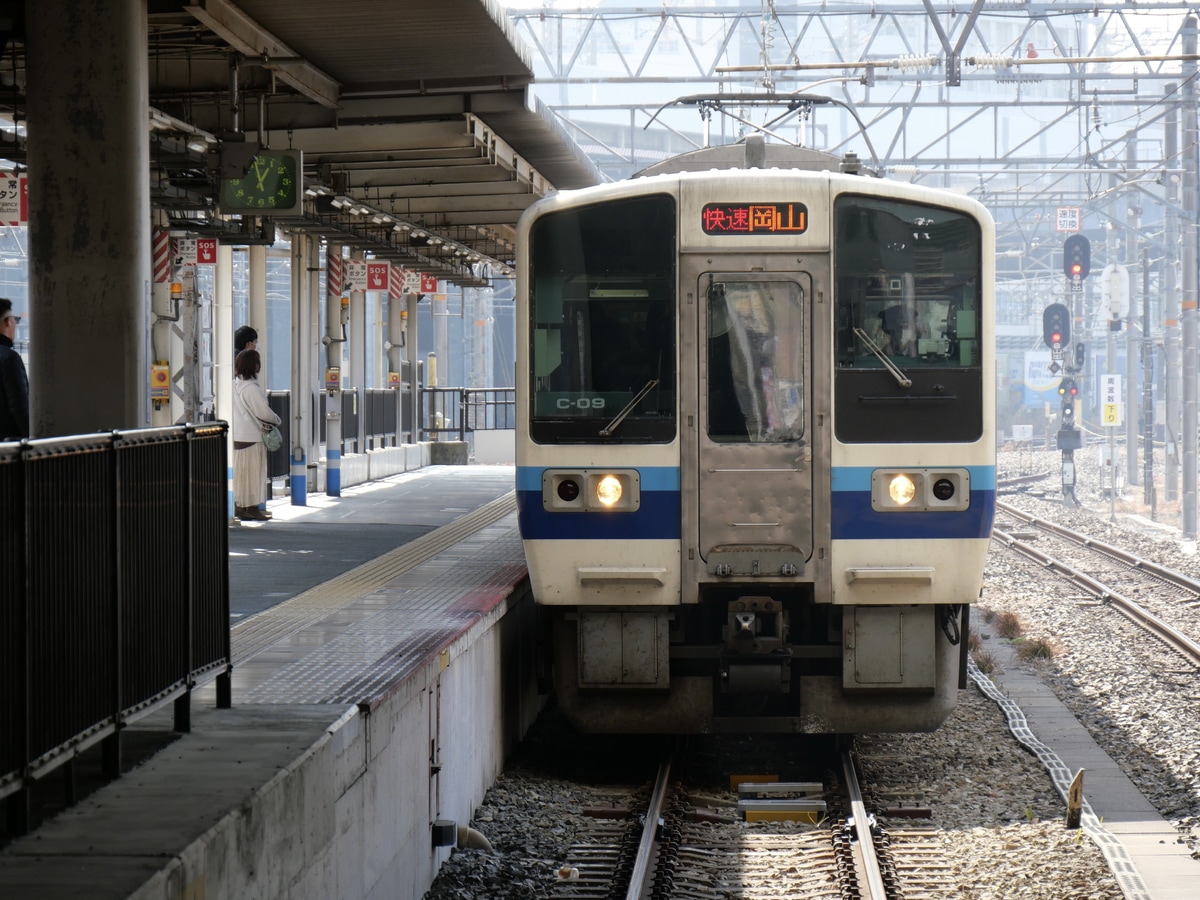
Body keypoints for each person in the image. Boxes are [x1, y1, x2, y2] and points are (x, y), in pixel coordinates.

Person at [232, 348, 281, 522]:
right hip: (252, 437)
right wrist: (276, 419)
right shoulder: (251, 388)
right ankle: (251, 507)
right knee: (253, 475)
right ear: (255, 366)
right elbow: (263, 413)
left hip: (236, 436)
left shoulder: (233, 385)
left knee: (240, 474)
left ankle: (239, 505)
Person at [0, 297, 29, 439]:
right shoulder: (9, 358)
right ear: (7, 322)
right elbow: (20, 408)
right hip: (7, 449)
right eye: (15, 319)